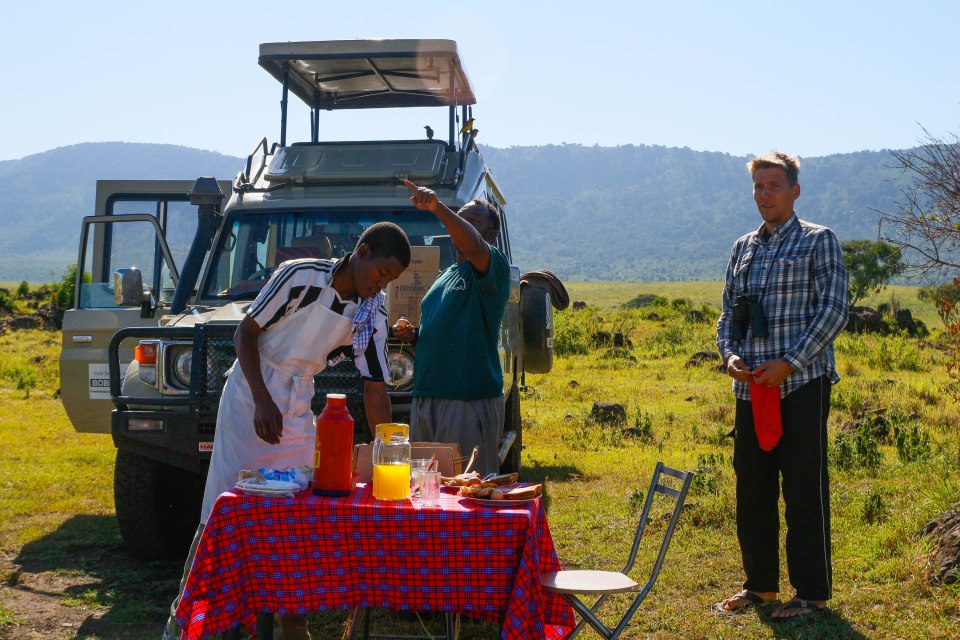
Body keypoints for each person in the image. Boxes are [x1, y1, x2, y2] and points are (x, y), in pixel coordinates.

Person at [163, 222, 410, 640]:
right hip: (250, 394)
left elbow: (374, 386)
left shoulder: (373, 313)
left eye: (391, 280)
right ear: (362, 252)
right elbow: (247, 332)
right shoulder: (301, 276)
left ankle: (292, 625)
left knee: (295, 515)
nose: (381, 285)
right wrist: (262, 400)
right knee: (224, 508)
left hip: (298, 408)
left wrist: (387, 447)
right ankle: (188, 621)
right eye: (381, 273)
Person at [715, 151, 849, 619]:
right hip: (751, 388)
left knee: (803, 489)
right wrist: (729, 355)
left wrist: (789, 363)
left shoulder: (818, 241)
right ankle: (761, 588)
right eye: (758, 187)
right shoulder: (743, 248)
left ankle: (811, 595)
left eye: (774, 185)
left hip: (802, 384)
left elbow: (833, 310)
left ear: (795, 190)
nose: (764, 194)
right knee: (751, 488)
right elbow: (728, 314)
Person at [393, 179, 510, 476]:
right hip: (427, 396)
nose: (459, 223)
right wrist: (415, 335)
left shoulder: (491, 265)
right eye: (459, 218)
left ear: (490, 234)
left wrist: (438, 208)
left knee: (468, 486)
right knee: (427, 485)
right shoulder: (446, 275)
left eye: (470, 220)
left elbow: (473, 244)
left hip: (467, 400)